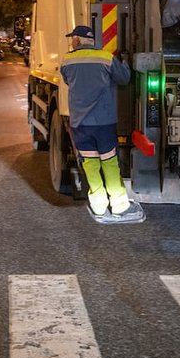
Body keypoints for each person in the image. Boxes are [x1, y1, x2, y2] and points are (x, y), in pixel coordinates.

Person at [60, 25, 132, 215]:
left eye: (72, 38)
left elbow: (68, 81)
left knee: (90, 163)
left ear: (77, 40)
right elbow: (124, 79)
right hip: (104, 121)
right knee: (109, 161)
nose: (71, 42)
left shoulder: (67, 61)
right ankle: (119, 204)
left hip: (80, 124)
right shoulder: (106, 58)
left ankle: (99, 205)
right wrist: (125, 61)